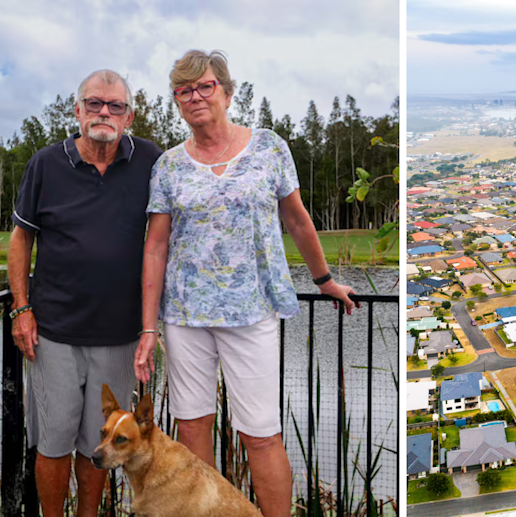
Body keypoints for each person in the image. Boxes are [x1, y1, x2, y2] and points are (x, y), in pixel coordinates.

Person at [134, 50, 357, 517]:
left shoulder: (269, 148)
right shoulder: (169, 166)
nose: (195, 96)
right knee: (192, 432)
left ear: (227, 92)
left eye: (205, 86)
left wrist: (324, 280)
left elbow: (297, 220)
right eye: (183, 90)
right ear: (177, 101)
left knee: (260, 434)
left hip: (252, 312)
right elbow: (155, 246)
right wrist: (149, 328)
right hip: (185, 318)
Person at [8, 70, 162, 517]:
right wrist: (21, 309)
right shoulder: (46, 164)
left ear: (129, 116)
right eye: (94, 103)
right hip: (53, 333)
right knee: (54, 440)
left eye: (115, 106)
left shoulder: (151, 160)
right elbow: (21, 238)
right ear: (77, 111)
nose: (104, 112)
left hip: (120, 335)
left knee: (100, 442)